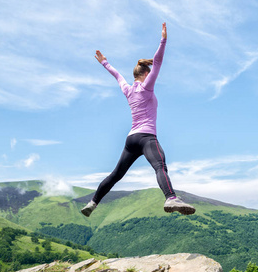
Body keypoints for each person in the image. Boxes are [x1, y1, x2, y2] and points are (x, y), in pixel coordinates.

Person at [81, 22, 195, 217]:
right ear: (145, 74)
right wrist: (163, 40)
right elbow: (158, 62)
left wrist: (104, 62)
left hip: (131, 140)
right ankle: (170, 198)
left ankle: (92, 203)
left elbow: (117, 75)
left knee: (116, 174)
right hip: (146, 137)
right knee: (160, 166)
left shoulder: (128, 89)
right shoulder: (146, 86)